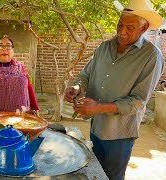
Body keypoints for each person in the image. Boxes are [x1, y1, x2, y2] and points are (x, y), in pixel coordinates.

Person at [64, 0, 164, 179]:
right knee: (95, 172)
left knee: (112, 176)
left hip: (120, 134)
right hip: (97, 126)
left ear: (144, 28)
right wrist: (77, 87)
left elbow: (139, 102)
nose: (122, 31)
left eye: (130, 27)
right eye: (120, 24)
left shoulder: (151, 56)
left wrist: (99, 107)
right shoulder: (104, 47)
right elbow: (86, 75)